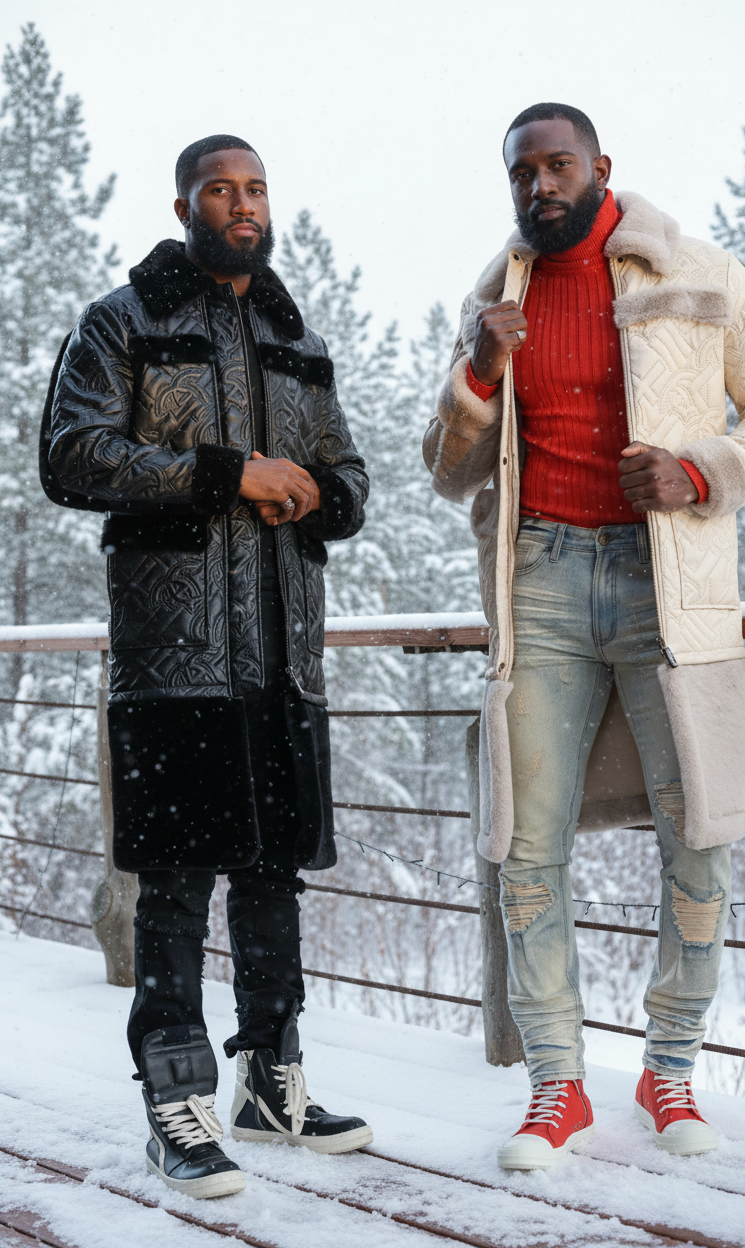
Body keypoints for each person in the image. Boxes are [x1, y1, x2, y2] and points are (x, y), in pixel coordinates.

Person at [424, 103, 745, 1170]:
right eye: (522, 172)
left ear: (601, 168)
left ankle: (670, 1069)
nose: (539, 186)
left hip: (670, 587)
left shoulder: (698, 273)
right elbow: (447, 469)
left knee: (699, 835)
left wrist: (698, 469)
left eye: (557, 165)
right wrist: (476, 373)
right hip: (541, 585)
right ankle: (557, 1086)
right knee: (524, 844)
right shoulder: (495, 296)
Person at [45, 135, 372, 1198]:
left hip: (284, 653)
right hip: (174, 655)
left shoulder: (297, 337)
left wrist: (320, 491)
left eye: (255, 188)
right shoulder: (122, 322)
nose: (242, 204)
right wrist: (232, 474)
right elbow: (72, 455)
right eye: (220, 189)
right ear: (183, 206)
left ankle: (270, 1083)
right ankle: (173, 1102)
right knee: (177, 887)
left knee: (273, 875)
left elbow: (350, 473)